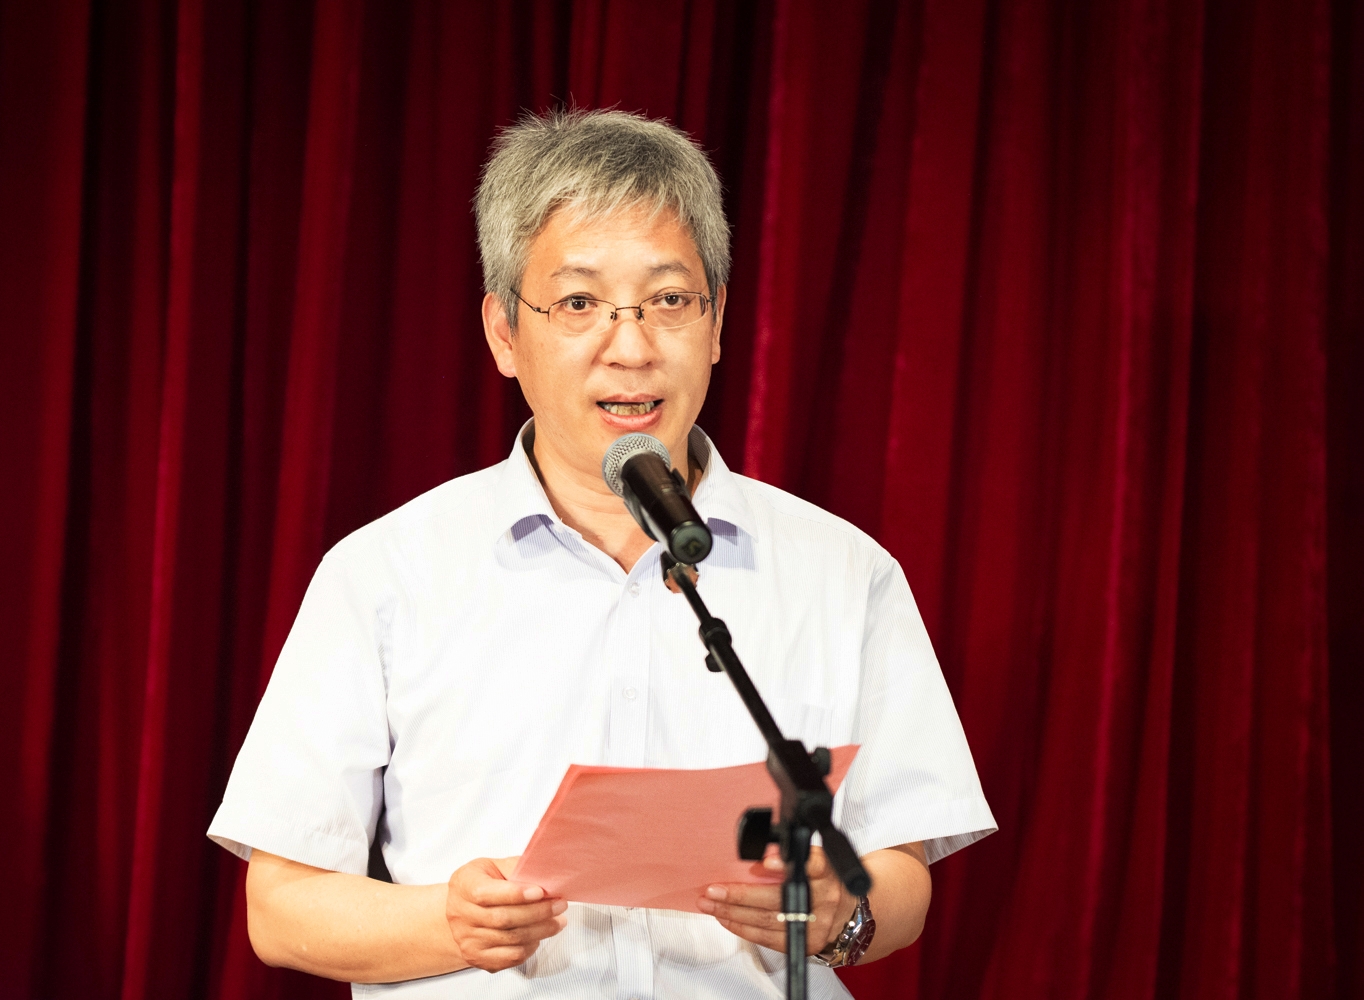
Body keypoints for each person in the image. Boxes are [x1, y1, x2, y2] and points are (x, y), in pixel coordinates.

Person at [208, 108, 996, 999]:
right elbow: (281, 909)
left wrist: (838, 909)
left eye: (669, 301)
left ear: (718, 323)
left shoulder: (844, 572)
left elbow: (901, 875)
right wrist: (449, 923)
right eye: (579, 303)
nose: (632, 347)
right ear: (504, 333)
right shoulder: (385, 572)